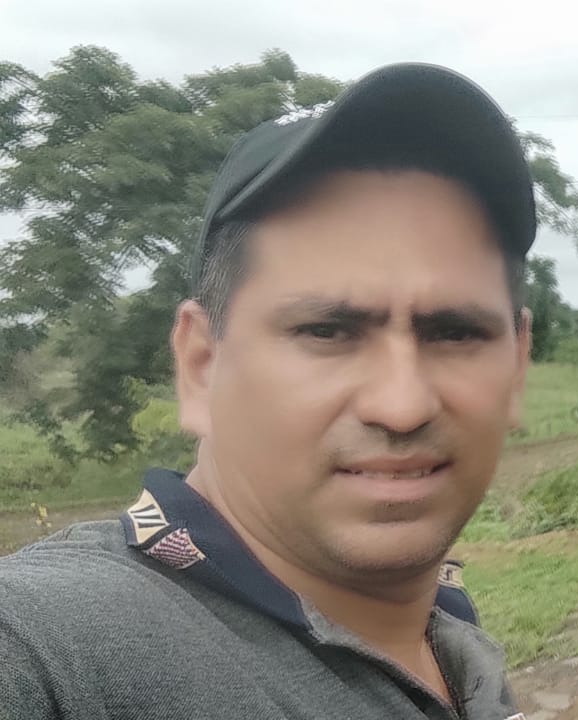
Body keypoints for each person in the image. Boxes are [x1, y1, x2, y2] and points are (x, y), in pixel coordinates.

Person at [0, 62, 537, 719]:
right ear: (201, 365)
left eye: (455, 333)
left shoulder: (445, 628)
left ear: (517, 367)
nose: (401, 406)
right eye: (326, 331)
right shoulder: (53, 645)